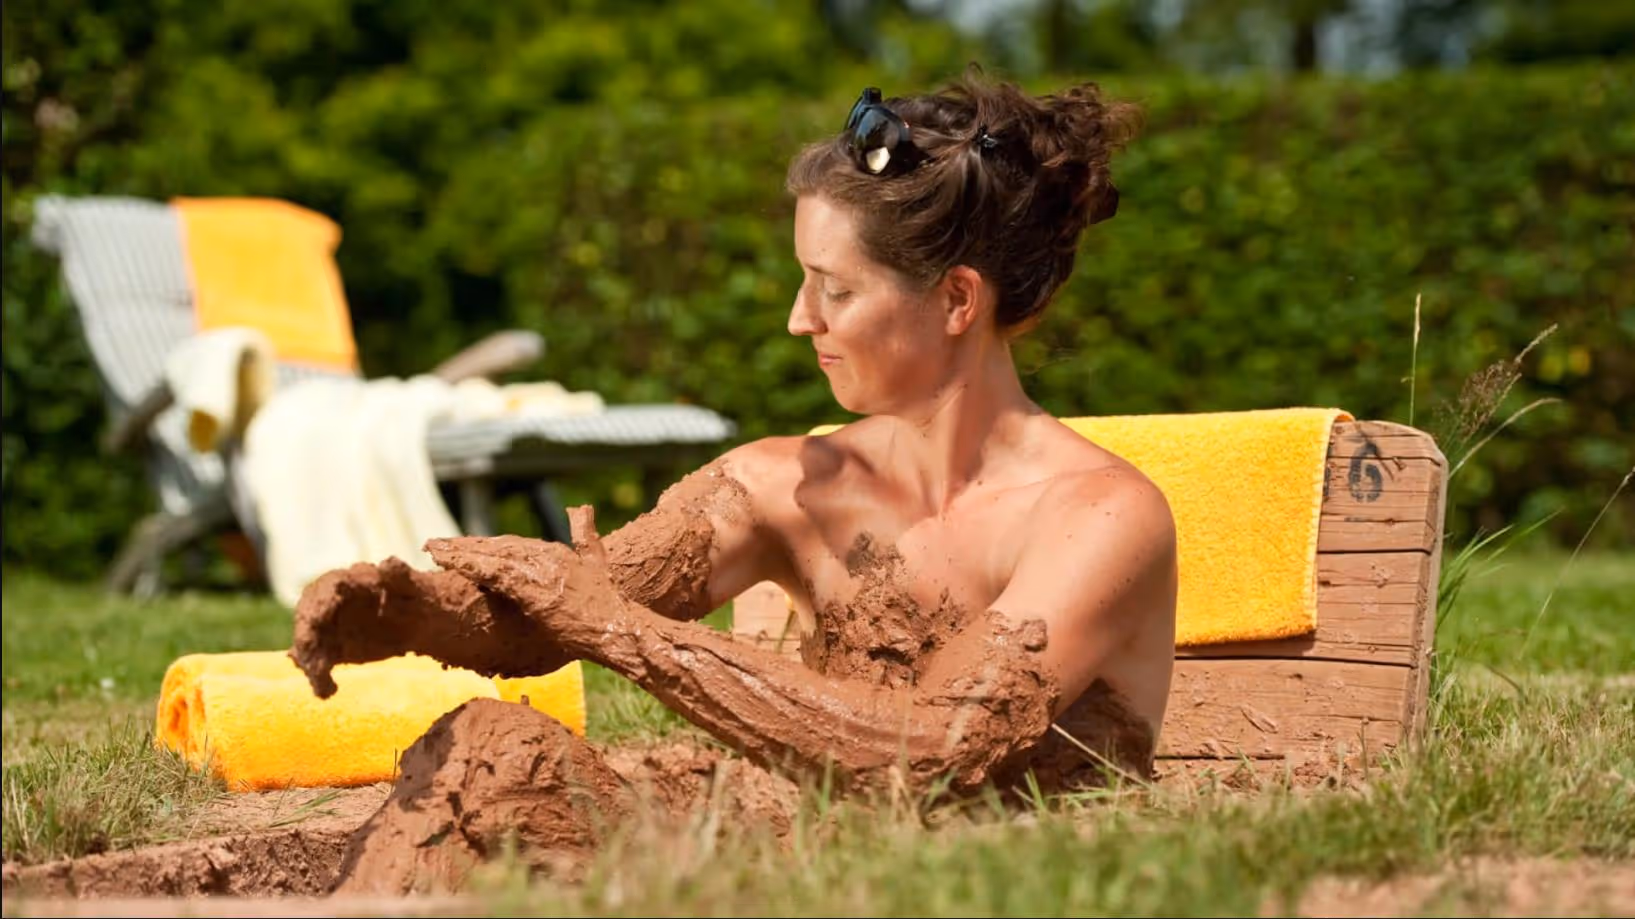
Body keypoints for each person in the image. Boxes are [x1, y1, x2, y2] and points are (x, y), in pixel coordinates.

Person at [292, 69, 1177, 887]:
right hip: (806, 875)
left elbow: (937, 751)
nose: (798, 319)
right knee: (484, 748)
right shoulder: (783, 483)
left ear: (955, 301)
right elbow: (551, 612)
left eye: (833, 290)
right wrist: (406, 610)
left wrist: (620, 631)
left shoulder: (1100, 517)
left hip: (990, 892)